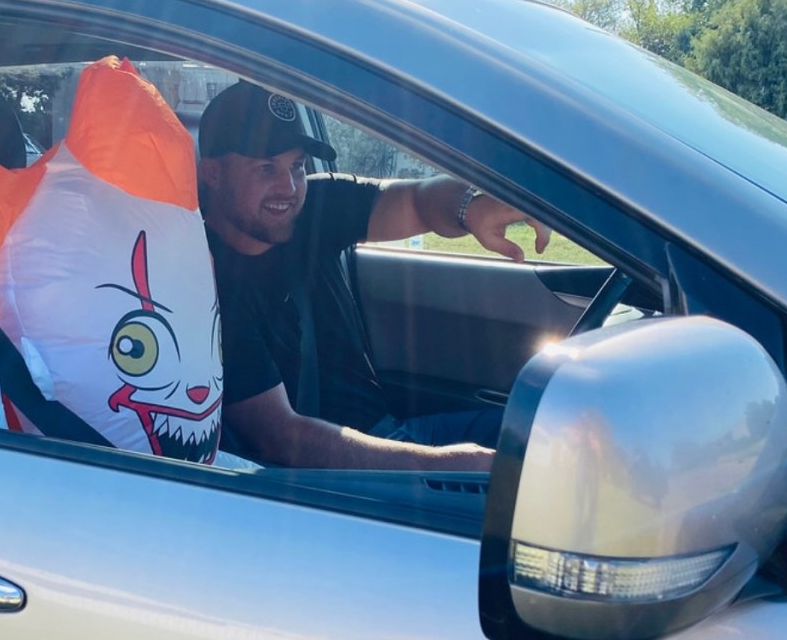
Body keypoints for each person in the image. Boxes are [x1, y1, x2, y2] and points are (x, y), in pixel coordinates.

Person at [198, 81, 550, 473]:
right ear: (212, 173)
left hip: (390, 435)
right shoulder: (203, 283)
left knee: (553, 431)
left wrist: (470, 207)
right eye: (266, 168)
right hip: (337, 481)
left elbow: (418, 201)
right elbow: (279, 438)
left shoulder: (315, 207)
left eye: (296, 165)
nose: (289, 187)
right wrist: (451, 467)